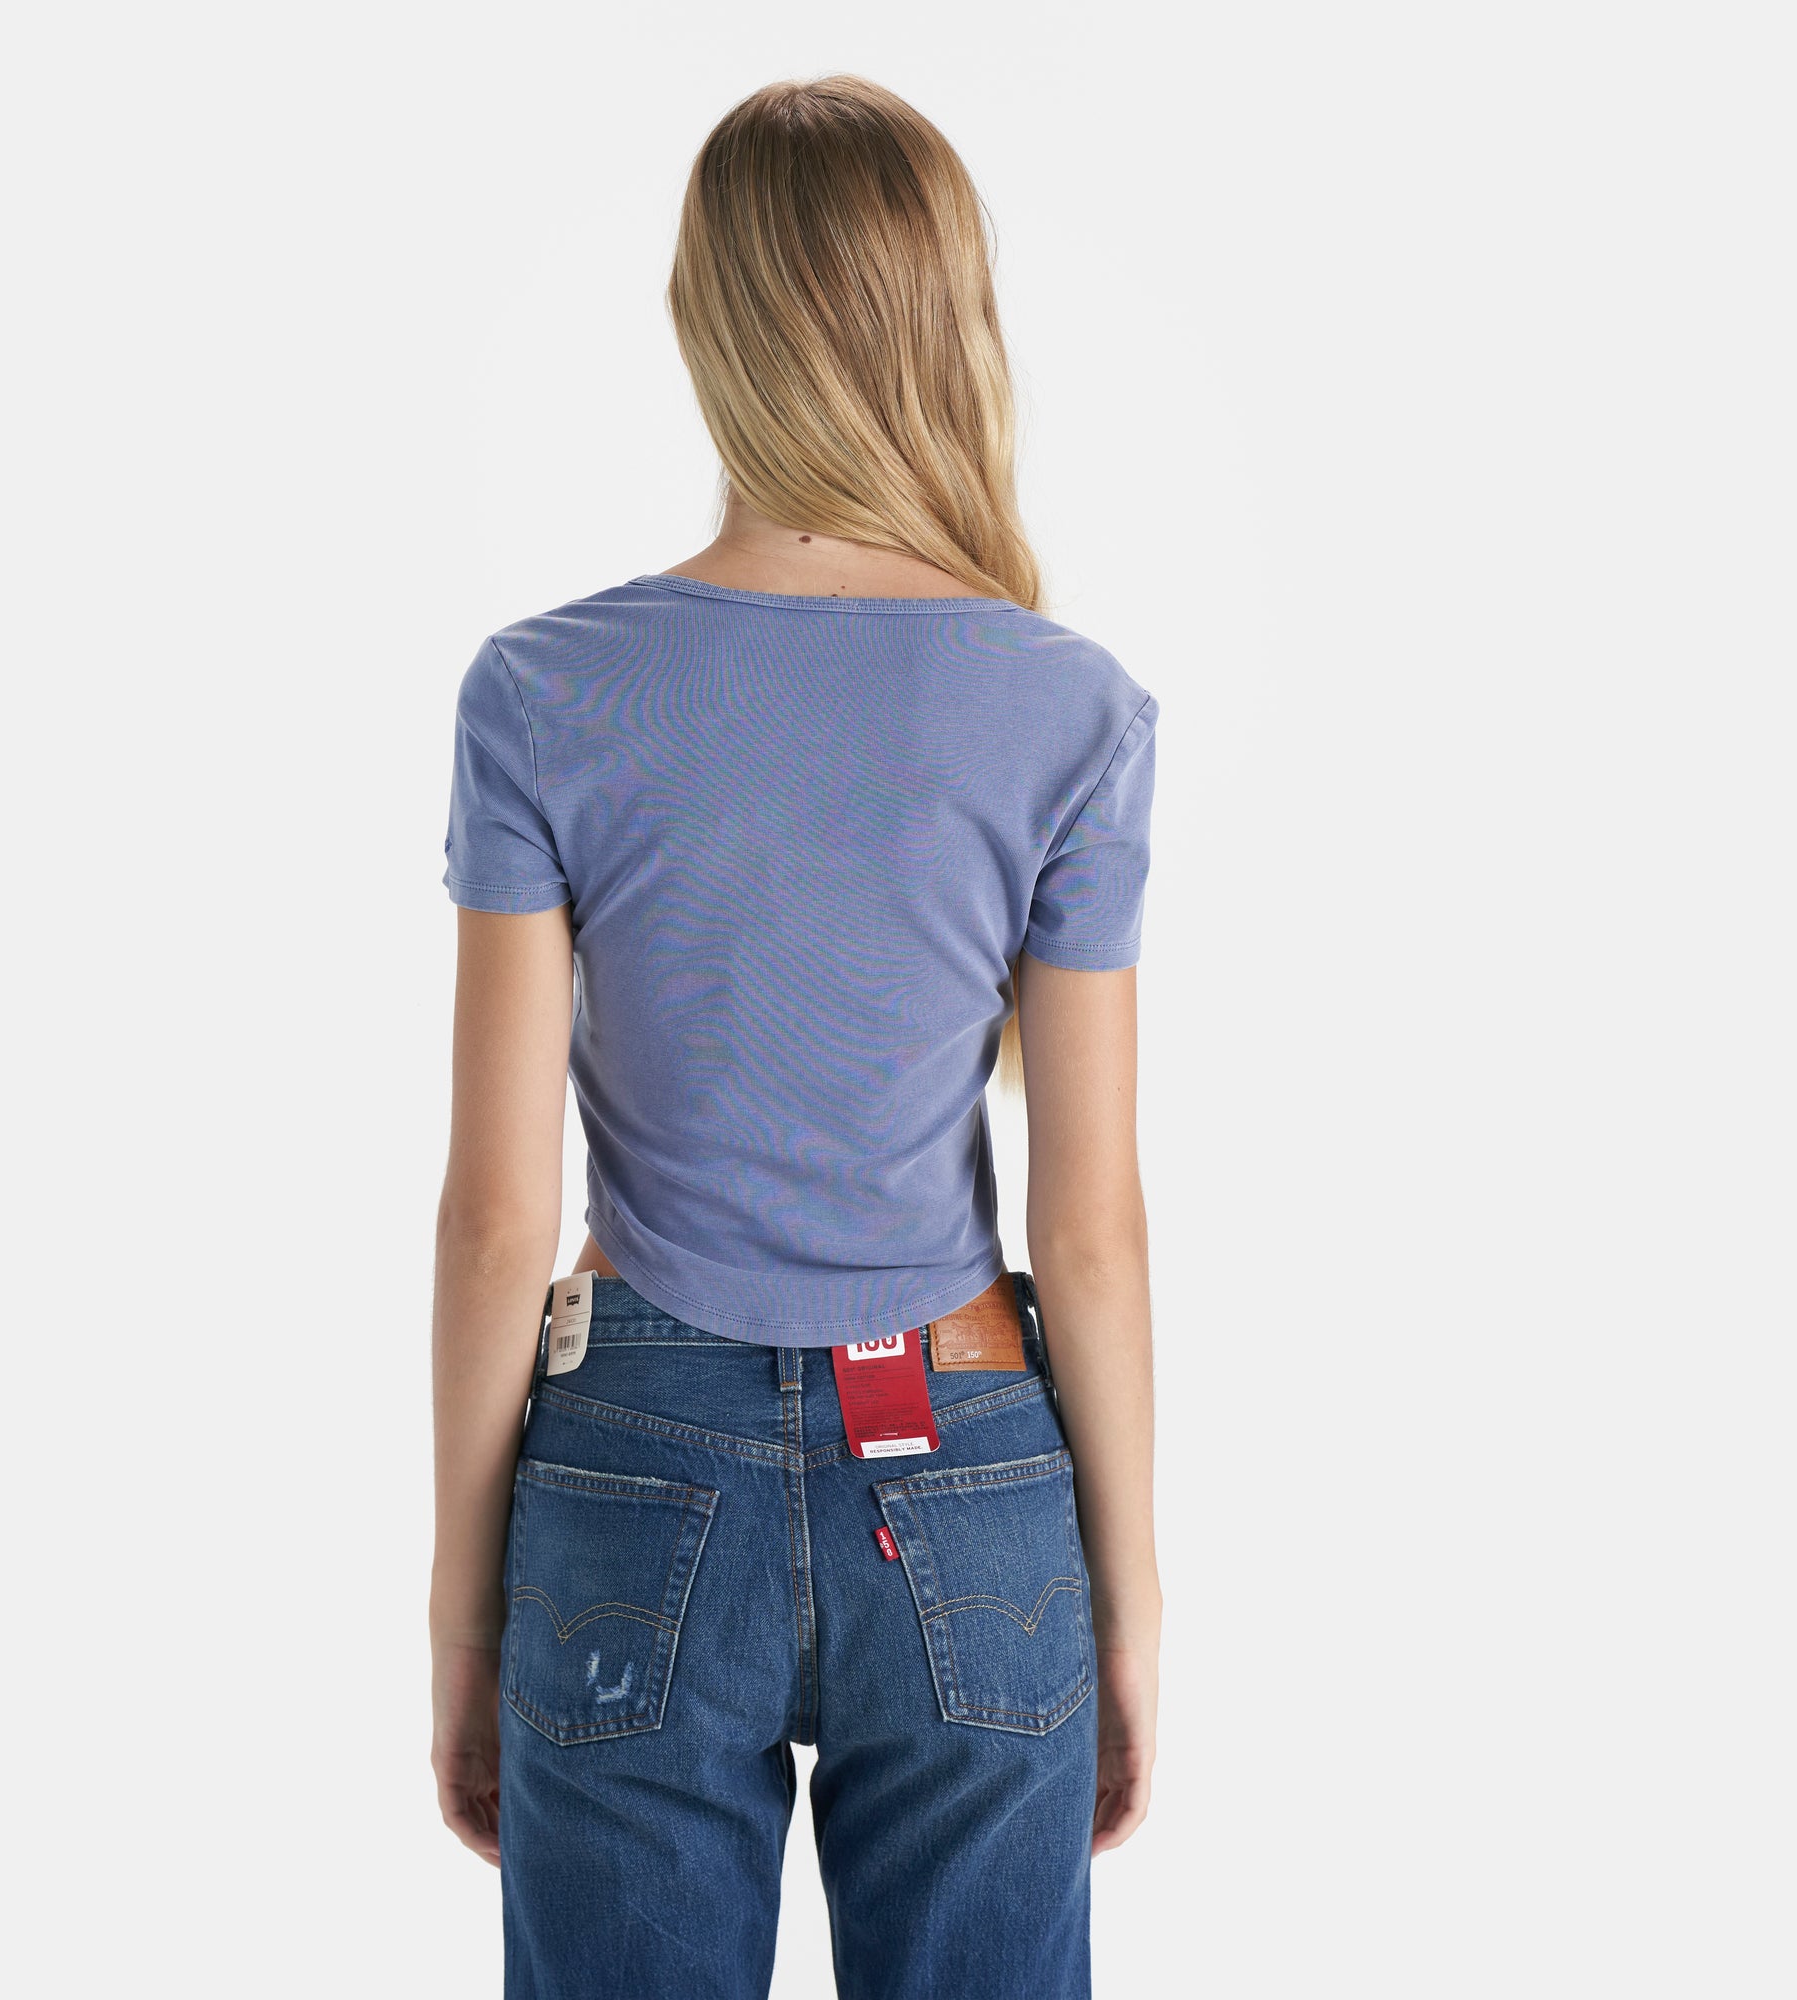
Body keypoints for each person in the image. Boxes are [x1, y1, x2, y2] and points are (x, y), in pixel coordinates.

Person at [430, 75, 1159, 2000]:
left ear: (705, 323)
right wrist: (1131, 1601)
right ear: (949, 316)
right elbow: (1089, 1232)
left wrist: (461, 1613)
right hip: (970, 1467)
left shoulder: (542, 692)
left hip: (630, 1465)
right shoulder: (1072, 709)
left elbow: (498, 1219)